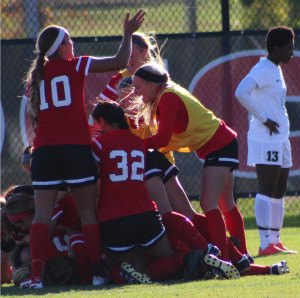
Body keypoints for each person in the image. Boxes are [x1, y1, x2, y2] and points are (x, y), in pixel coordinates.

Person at [19, 9, 146, 289]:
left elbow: (35, 116)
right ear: (62, 46)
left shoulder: (36, 77)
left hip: (46, 151)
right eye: (69, 40)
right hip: (75, 149)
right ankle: (98, 274)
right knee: (88, 212)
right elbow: (120, 61)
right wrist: (126, 34)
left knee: (41, 215)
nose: (73, 44)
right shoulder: (76, 65)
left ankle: (36, 278)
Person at [91, 101, 240, 283]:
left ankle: (209, 255)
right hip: (146, 212)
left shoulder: (99, 143)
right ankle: (201, 257)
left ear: (102, 121)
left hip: (115, 218)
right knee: (174, 233)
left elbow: (87, 179)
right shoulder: (139, 142)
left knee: (117, 269)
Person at [131, 62, 250, 262]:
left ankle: (224, 257)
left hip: (219, 144)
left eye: (138, 86)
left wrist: (130, 145)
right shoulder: (164, 94)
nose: (135, 92)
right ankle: (242, 256)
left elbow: (162, 139)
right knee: (225, 203)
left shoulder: (167, 97)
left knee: (208, 202)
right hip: (222, 141)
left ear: (152, 85)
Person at [235, 26, 297, 256]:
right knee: (267, 187)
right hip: (266, 136)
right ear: (277, 48)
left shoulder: (275, 68)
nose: (292, 52)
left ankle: (276, 241)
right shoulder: (262, 68)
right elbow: (241, 92)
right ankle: (264, 245)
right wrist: (263, 118)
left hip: (281, 138)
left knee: (280, 188)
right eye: (289, 48)